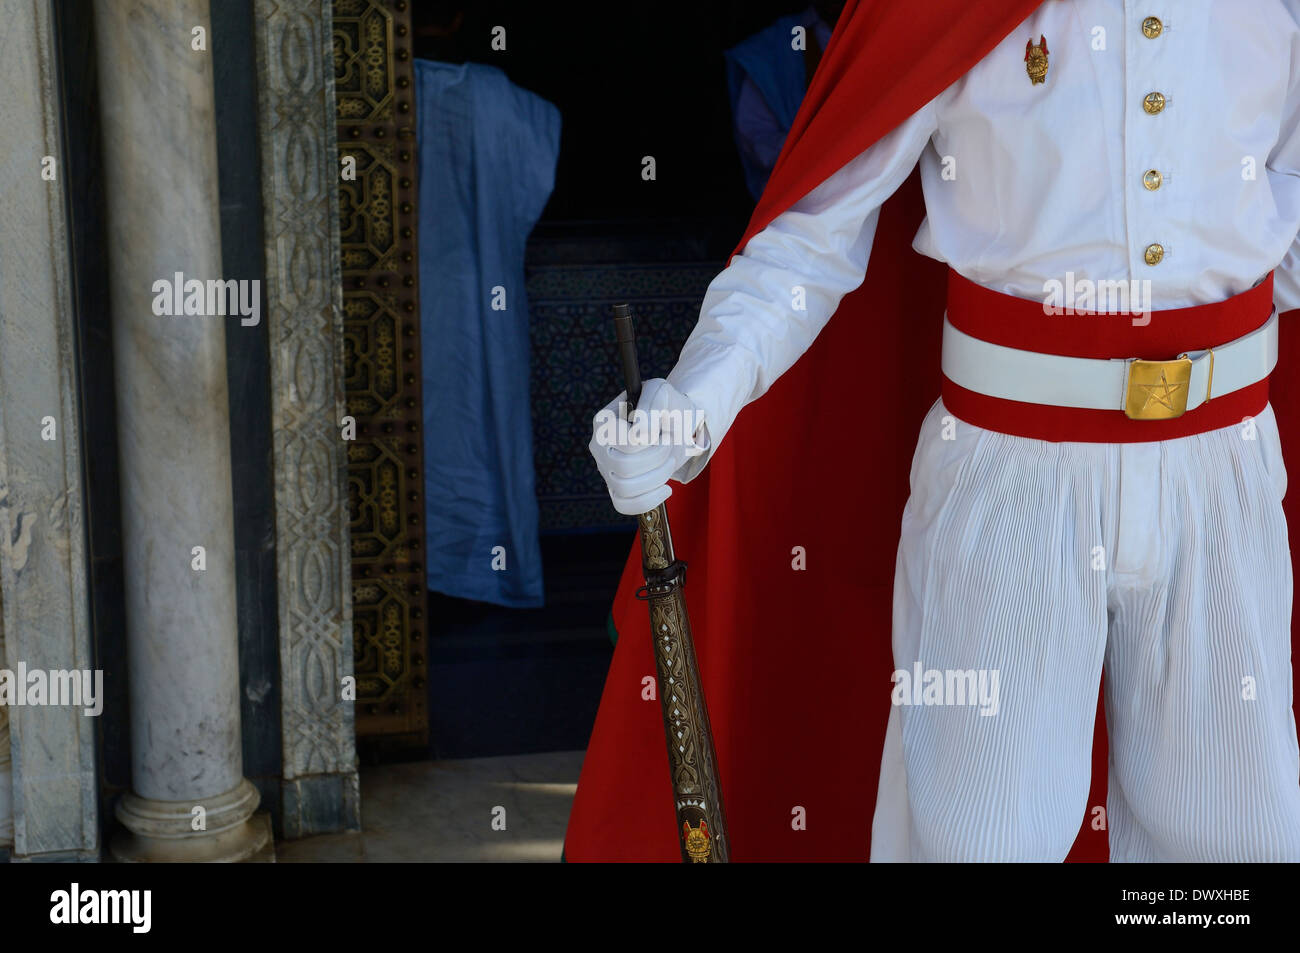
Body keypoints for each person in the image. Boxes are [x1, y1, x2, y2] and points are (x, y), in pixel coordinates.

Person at [577, 0, 1300, 861]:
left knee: (1234, 849)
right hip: (1010, 474)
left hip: (1225, 469)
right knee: (976, 838)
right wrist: (693, 398)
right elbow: (812, 240)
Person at [414, 5, 560, 607]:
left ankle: (431, 569)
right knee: (478, 428)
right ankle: (477, 571)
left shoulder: (362, 97)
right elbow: (538, 163)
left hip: (411, 293)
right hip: (481, 300)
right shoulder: (499, 98)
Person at [725, 2, 845, 201]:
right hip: (802, 202)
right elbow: (758, 138)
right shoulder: (773, 49)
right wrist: (812, 146)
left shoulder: (885, 35)